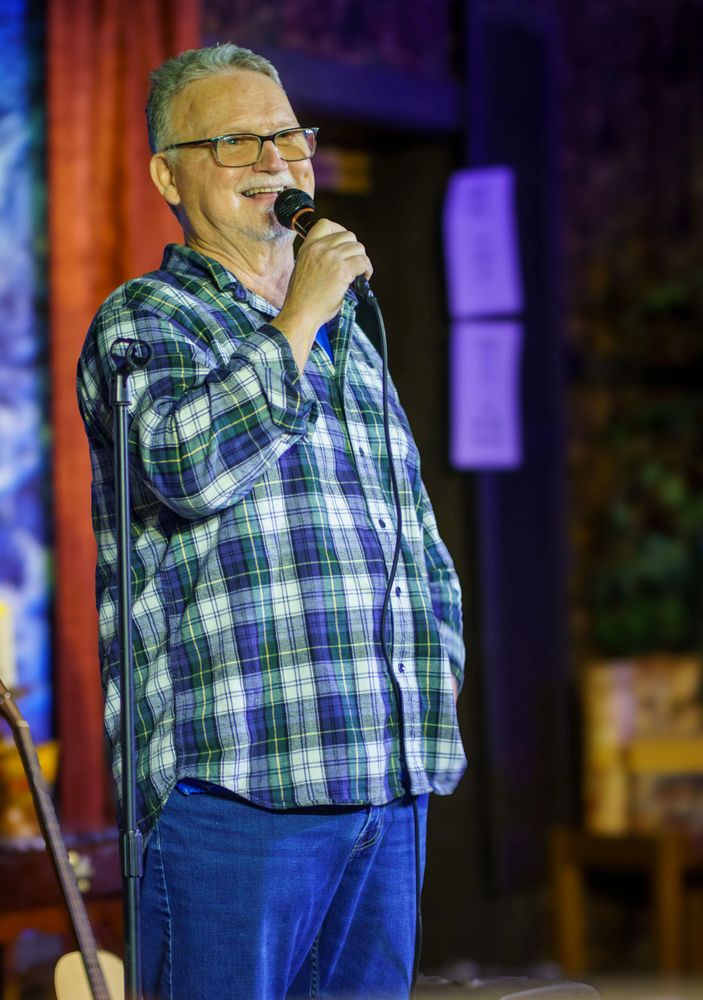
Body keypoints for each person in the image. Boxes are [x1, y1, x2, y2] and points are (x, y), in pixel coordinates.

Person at [77, 42, 466, 1000]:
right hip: (236, 786)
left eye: (288, 136)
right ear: (168, 175)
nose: (273, 160)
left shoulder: (348, 337)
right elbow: (184, 466)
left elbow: (408, 528)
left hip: (383, 775)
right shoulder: (146, 319)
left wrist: (435, 674)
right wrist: (296, 319)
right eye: (234, 141)